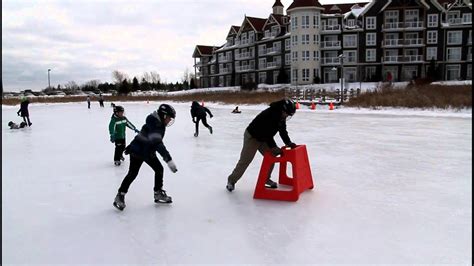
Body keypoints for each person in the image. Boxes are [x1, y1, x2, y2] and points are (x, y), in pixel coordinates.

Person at [113, 104, 178, 211]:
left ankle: (158, 193)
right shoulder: (155, 124)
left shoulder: (159, 123)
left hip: (148, 152)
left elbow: (142, 133)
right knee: (132, 173)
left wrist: (132, 144)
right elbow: (157, 143)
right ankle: (120, 195)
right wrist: (168, 159)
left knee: (158, 169)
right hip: (138, 152)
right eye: (169, 118)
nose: (170, 120)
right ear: (163, 115)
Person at [226, 99, 297, 192]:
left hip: (264, 138)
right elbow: (267, 133)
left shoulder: (281, 116)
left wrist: (288, 143)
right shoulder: (270, 114)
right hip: (253, 136)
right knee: (245, 160)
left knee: (271, 157)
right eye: (287, 114)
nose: (287, 116)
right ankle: (231, 181)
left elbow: (282, 131)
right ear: (283, 110)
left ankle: (266, 179)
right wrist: (273, 146)